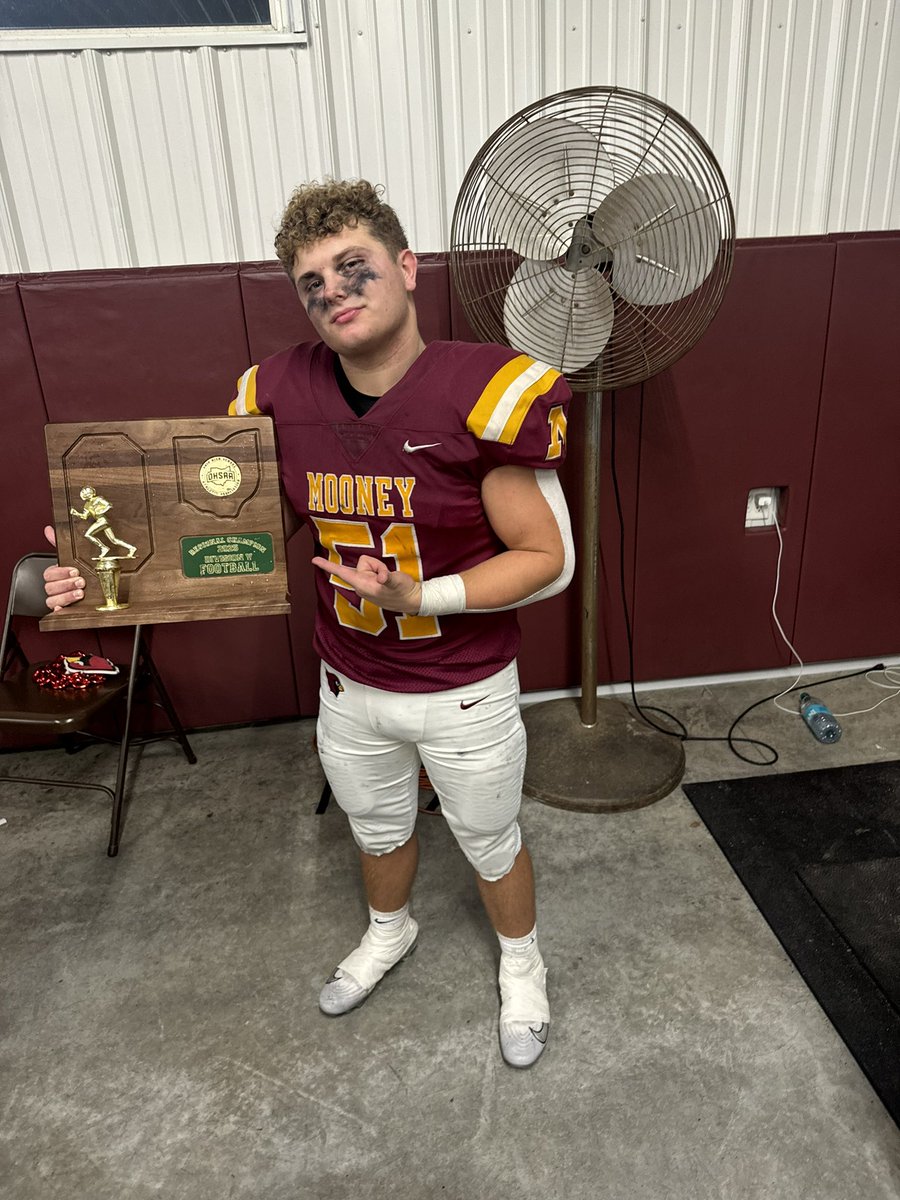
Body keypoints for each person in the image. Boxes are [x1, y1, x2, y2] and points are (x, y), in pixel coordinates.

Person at [43, 179, 575, 1068]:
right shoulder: (276, 392)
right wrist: (106, 567)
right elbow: (234, 534)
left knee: (488, 834)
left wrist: (422, 597)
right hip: (349, 680)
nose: (332, 290)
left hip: (463, 688)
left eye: (353, 267)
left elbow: (543, 556)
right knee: (376, 829)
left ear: (407, 269)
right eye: (311, 280)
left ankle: (523, 964)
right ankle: (388, 931)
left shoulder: (482, 391)